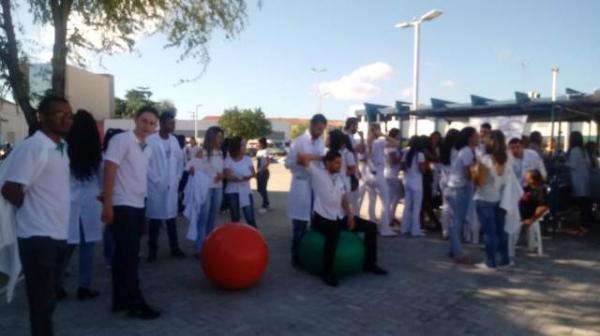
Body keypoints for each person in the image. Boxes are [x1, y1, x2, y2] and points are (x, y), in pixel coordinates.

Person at [1, 96, 73, 336]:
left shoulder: (61, 147)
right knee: (41, 306)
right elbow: (10, 188)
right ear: (42, 116)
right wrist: (32, 210)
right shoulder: (34, 147)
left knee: (49, 301)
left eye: (69, 114)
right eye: (59, 113)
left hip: (57, 234)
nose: (66, 118)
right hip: (37, 237)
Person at [101, 106, 160, 319]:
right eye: (144, 121)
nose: (147, 126)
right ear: (136, 119)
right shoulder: (122, 140)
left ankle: (120, 300)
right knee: (129, 257)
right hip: (122, 204)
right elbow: (109, 170)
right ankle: (136, 304)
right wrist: (108, 203)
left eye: (152, 123)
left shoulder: (148, 147)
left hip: (137, 204)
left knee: (122, 256)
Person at [298, 150, 388, 287]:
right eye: (336, 162)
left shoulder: (339, 177)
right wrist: (322, 156)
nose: (339, 165)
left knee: (371, 227)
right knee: (333, 235)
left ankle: (370, 264)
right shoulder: (317, 173)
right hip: (322, 218)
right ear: (327, 163)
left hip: (339, 216)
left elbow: (344, 199)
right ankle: (327, 274)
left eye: (340, 163)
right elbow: (301, 158)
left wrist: (350, 215)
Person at [59, 110, 103, 301]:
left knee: (67, 247)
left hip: (69, 203)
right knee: (88, 246)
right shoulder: (96, 152)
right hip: (91, 203)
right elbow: (101, 181)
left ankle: (56, 285)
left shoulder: (63, 149)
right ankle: (83, 287)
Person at [285, 114, 327, 267]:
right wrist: (300, 161)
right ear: (311, 125)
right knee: (299, 224)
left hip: (316, 185)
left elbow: (322, 161)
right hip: (301, 185)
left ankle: (310, 254)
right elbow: (287, 163)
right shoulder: (298, 142)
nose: (319, 132)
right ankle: (296, 257)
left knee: (316, 222)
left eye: (322, 130)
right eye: (317, 129)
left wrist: (313, 159)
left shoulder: (321, 143)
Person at [145, 112, 185, 262]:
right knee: (154, 221)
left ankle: (174, 248)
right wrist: (155, 179)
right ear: (161, 124)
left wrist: (178, 176)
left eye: (174, 123)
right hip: (156, 186)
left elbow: (181, 160)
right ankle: (152, 250)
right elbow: (145, 163)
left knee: (171, 219)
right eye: (170, 123)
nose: (173, 126)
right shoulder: (150, 140)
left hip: (171, 186)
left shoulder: (174, 141)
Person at [472, 130, 510, 269]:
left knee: (489, 232)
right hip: (500, 197)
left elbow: (478, 180)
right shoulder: (507, 158)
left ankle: (490, 261)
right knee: (501, 231)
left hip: (484, 197)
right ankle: (505, 259)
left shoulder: (485, 159)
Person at [189, 126, 226, 254]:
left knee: (212, 218)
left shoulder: (221, 152)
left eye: (222, 137)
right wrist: (193, 170)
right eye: (219, 136)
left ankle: (209, 245)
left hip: (218, 188)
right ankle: (200, 248)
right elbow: (191, 169)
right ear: (211, 137)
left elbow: (222, 170)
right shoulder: (202, 152)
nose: (221, 139)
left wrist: (223, 175)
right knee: (203, 219)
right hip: (206, 189)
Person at [446, 127, 479, 264]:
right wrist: (479, 176)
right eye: (476, 136)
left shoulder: (465, 151)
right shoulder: (467, 152)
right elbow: (468, 173)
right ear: (470, 138)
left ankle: (453, 249)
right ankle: (458, 253)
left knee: (456, 221)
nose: (478, 138)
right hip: (459, 189)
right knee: (458, 222)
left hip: (454, 188)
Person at [365, 123, 397, 237]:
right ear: (377, 130)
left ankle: (372, 225)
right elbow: (395, 143)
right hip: (378, 174)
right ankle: (385, 229)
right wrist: (383, 134)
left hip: (368, 175)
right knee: (385, 201)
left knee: (372, 201)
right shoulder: (379, 142)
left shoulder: (367, 142)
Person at [100, 128, 124, 269]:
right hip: (111, 196)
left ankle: (116, 255)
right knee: (110, 229)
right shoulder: (105, 158)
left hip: (121, 196)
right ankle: (110, 257)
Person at [224, 137, 257, 227]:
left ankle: (254, 238)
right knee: (235, 219)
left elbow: (253, 174)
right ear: (236, 146)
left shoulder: (248, 159)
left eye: (245, 145)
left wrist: (239, 176)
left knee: (250, 218)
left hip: (246, 191)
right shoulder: (228, 160)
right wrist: (241, 177)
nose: (245, 147)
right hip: (232, 192)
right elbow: (228, 177)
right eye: (243, 145)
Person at [401, 136, 428, 236]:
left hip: (407, 181)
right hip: (417, 183)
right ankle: (415, 230)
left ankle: (404, 228)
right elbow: (422, 170)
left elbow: (402, 167)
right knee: (417, 207)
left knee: (407, 206)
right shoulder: (420, 154)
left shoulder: (406, 153)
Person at [566, 131, 593, 225]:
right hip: (585, 178)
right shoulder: (583, 150)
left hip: (578, 179)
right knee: (585, 200)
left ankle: (584, 221)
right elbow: (589, 164)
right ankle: (588, 219)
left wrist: (564, 163)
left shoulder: (574, 150)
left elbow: (572, 165)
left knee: (581, 201)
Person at [439, 129, 460, 239]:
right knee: (454, 208)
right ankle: (452, 230)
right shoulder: (457, 151)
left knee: (445, 206)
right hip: (453, 180)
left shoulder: (443, 149)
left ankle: (445, 231)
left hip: (443, 179)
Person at [342, 117, 365, 213]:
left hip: (350, 169)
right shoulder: (347, 137)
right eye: (356, 125)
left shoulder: (347, 136)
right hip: (350, 170)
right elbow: (359, 150)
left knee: (351, 197)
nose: (357, 128)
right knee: (352, 198)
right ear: (351, 125)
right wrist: (362, 138)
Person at [384, 128, 403, 229]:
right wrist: (402, 156)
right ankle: (389, 219)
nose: (400, 136)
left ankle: (389, 218)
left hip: (389, 174)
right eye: (399, 135)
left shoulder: (388, 146)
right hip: (392, 175)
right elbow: (393, 161)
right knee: (394, 198)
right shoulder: (391, 148)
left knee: (391, 198)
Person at [256, 137, 272, 213]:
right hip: (259, 172)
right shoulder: (259, 151)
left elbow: (268, 162)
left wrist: (262, 169)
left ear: (262, 143)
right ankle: (266, 202)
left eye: (258, 143)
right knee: (259, 188)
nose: (257, 144)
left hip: (264, 172)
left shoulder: (266, 151)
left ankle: (265, 204)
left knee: (262, 188)